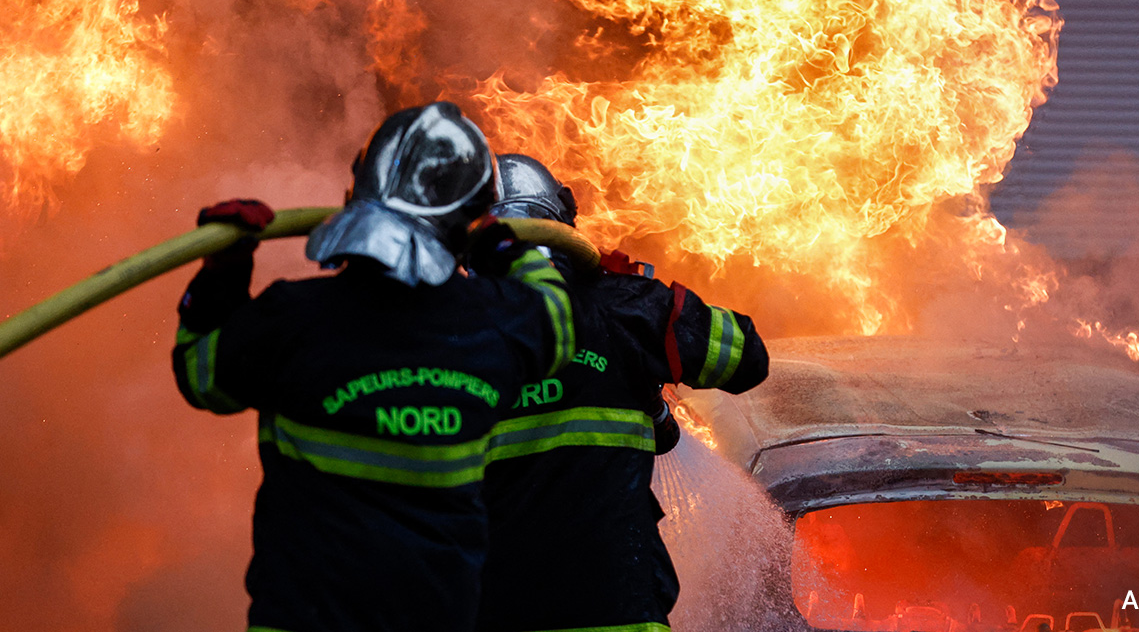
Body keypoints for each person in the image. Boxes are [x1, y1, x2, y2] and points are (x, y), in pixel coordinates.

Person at [171, 103, 575, 632]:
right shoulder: (497, 325)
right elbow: (558, 323)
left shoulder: (289, 319)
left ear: (356, 194)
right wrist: (509, 251)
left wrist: (223, 272)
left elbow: (200, 377)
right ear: (471, 222)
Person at [476, 153, 771, 632]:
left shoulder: (444, 330)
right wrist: (646, 312)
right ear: (563, 223)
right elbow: (747, 359)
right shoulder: (627, 308)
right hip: (617, 611)